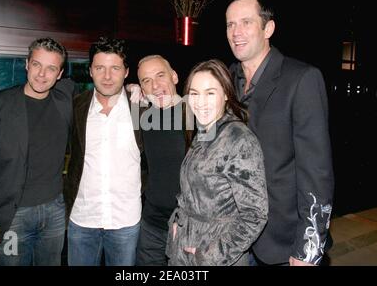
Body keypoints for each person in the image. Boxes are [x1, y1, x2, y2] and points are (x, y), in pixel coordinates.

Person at [226, 0, 334, 266]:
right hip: (233, 237)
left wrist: (308, 248)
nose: (236, 32)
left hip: (282, 243)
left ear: (268, 29)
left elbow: (316, 173)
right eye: (230, 25)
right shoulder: (226, 77)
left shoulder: (302, 79)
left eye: (246, 22)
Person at [0, 37, 74, 266]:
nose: (42, 74)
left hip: (55, 213)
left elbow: (104, 89)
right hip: (12, 218)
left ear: (60, 74)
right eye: (36, 64)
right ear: (27, 64)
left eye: (51, 68)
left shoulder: (66, 97)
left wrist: (133, 89)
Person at [166, 59, 268, 266]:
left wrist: (209, 256)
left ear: (226, 95)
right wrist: (177, 222)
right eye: (194, 93)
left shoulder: (239, 140)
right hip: (185, 248)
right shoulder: (206, 130)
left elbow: (255, 215)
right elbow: (193, 191)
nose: (200, 102)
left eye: (210, 93)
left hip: (217, 258)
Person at [63, 37, 143, 266]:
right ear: (90, 71)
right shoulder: (75, 106)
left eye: (115, 68)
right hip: (81, 220)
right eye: (100, 68)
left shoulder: (143, 107)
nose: (107, 76)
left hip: (125, 221)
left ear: (126, 72)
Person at [135, 55, 190, 266]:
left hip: (187, 227)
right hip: (151, 224)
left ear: (174, 76)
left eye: (160, 76)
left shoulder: (197, 115)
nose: (155, 85)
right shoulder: (143, 117)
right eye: (146, 80)